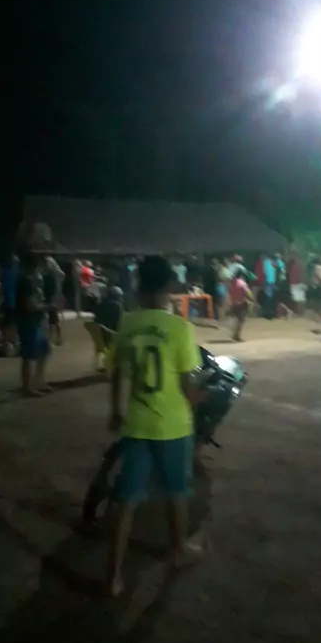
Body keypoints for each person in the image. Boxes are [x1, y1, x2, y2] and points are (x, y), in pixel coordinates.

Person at [107, 255, 203, 596]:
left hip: (137, 424)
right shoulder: (180, 327)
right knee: (177, 492)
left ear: (138, 286)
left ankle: (114, 576)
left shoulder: (127, 323)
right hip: (173, 425)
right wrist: (198, 398)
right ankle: (179, 550)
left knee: (127, 500)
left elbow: (118, 372)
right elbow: (187, 384)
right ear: (167, 288)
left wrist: (116, 410)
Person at [15, 252, 52, 396]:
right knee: (29, 355)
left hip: (37, 320)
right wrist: (47, 307)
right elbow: (29, 305)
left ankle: (38, 382)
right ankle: (27, 387)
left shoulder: (34, 280)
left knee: (43, 351)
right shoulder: (26, 281)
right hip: (28, 321)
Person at [43, 256, 65, 345]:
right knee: (51, 321)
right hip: (49, 299)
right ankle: (52, 338)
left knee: (53, 320)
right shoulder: (50, 275)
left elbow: (53, 289)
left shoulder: (51, 276)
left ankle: (55, 338)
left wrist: (54, 300)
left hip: (51, 299)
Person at [228, 268, 253, 342]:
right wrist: (251, 299)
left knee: (237, 320)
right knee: (241, 320)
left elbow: (229, 293)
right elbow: (247, 293)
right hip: (241, 304)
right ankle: (236, 336)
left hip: (233, 304)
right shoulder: (242, 283)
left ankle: (235, 334)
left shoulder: (232, 283)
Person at [287, 249, 306, 315]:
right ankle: (299, 313)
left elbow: (303, 273)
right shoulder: (290, 263)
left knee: (300, 300)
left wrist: (303, 282)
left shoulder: (300, 263)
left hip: (299, 283)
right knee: (296, 300)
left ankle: (301, 313)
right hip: (293, 283)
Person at [262, 253, 277, 319]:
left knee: (268, 298)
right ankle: (270, 313)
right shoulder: (274, 262)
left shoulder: (266, 262)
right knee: (270, 298)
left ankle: (267, 313)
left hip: (268, 282)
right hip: (272, 282)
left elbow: (264, 272)